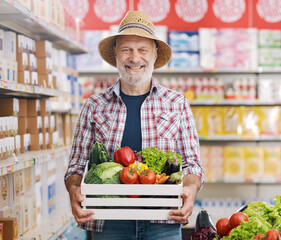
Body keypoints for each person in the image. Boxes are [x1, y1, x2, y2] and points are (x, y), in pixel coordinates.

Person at [64, 10, 204, 239]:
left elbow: (193, 164)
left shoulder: (177, 104)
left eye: (143, 50)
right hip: (108, 222)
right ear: (116, 53)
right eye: (127, 49)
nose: (135, 58)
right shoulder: (94, 105)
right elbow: (76, 167)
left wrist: (190, 189)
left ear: (154, 54)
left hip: (164, 222)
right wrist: (74, 190)